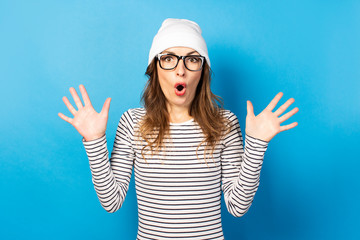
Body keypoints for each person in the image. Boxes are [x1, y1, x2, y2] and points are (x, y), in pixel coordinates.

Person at [58, 18, 298, 240]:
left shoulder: (225, 124)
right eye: (169, 58)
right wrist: (94, 141)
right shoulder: (132, 122)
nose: (180, 70)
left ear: (203, 71)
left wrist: (256, 145)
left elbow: (237, 206)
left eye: (192, 59)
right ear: (155, 68)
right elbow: (112, 201)